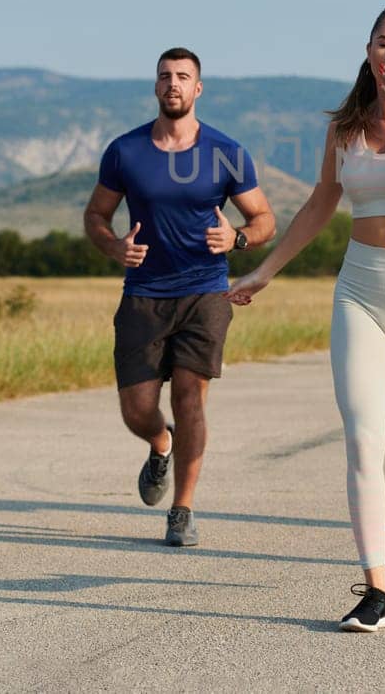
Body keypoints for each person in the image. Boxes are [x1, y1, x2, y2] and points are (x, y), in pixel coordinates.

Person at [227, 3, 385, 633]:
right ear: (368, 49)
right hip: (360, 289)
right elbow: (320, 203)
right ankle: (376, 589)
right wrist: (265, 271)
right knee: (363, 440)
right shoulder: (345, 129)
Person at [83, 47, 276, 548]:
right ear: (155, 87)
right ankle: (159, 441)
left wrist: (236, 238)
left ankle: (182, 509)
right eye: (165, 76)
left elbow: (265, 221)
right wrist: (114, 246)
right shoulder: (125, 151)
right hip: (143, 294)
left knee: (190, 397)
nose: (173, 84)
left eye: (183, 77)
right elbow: (95, 217)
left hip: (205, 291)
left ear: (198, 89)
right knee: (137, 409)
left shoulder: (226, 152)